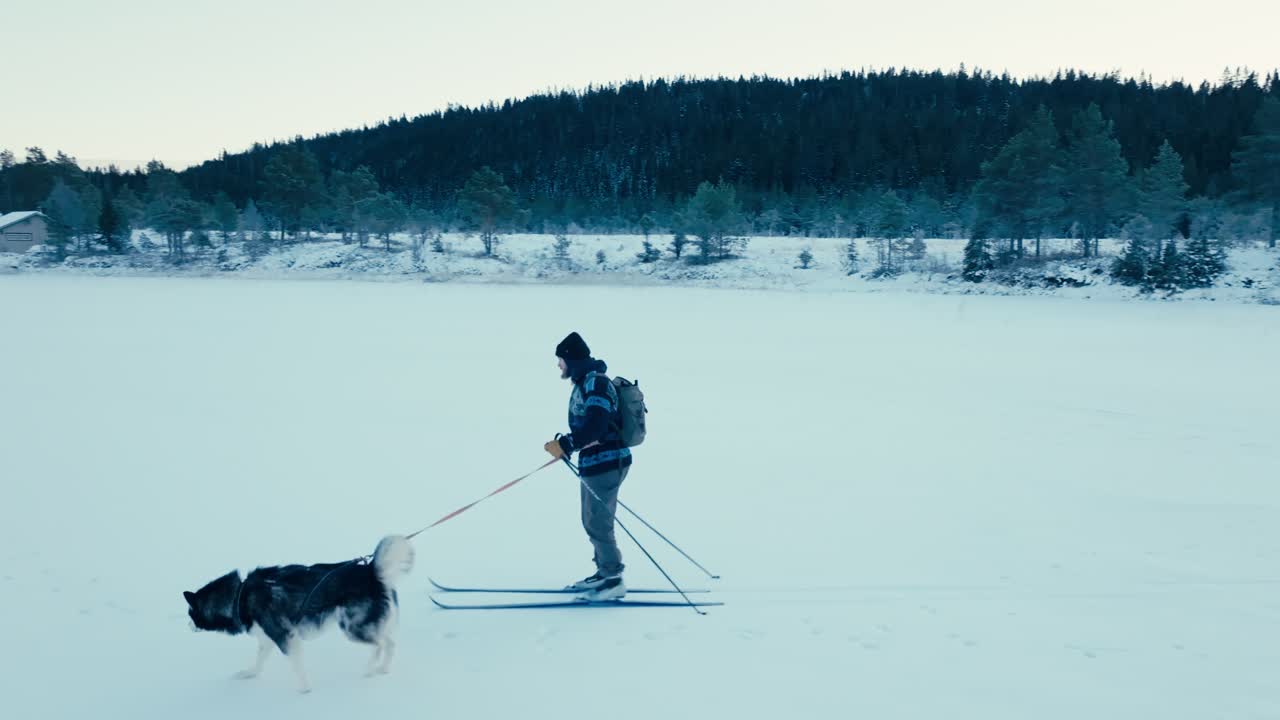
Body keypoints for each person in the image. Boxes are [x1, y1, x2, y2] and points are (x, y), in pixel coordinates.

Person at [544, 332, 631, 602]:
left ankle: (613, 578)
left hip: (608, 462)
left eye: (560, 360)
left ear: (571, 359)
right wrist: (568, 444)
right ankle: (604, 572)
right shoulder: (585, 382)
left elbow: (597, 425)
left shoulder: (596, 384)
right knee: (591, 520)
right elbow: (589, 426)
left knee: (598, 522)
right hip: (596, 463)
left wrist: (569, 443)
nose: (559, 365)